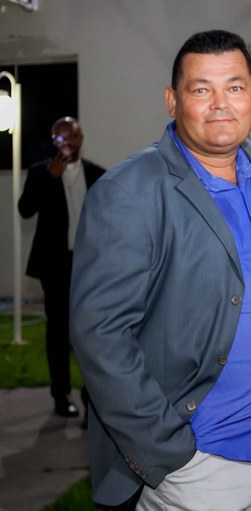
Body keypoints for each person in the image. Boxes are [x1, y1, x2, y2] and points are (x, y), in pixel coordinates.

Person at [69, 30, 251, 511]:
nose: (220, 103)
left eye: (234, 87)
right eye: (201, 89)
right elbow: (100, 335)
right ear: (172, 100)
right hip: (198, 462)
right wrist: (166, 452)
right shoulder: (131, 190)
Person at [18, 116, 105, 418]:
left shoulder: (97, 174)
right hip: (55, 265)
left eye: (71, 136)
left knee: (92, 332)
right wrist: (48, 179)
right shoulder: (40, 172)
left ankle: (93, 399)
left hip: (90, 264)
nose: (66, 142)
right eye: (60, 138)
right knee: (58, 330)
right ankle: (61, 395)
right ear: (53, 141)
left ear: (81, 138)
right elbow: (25, 210)